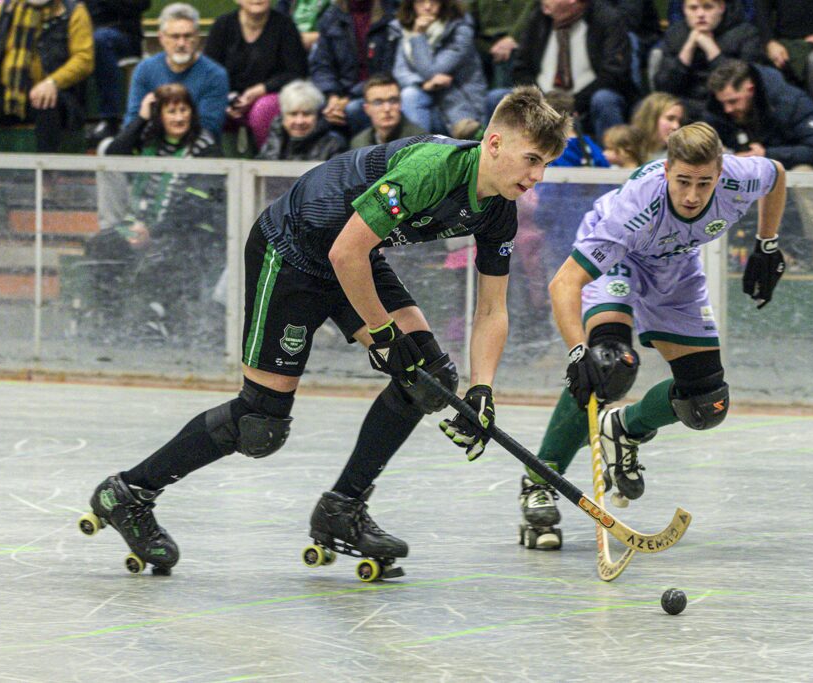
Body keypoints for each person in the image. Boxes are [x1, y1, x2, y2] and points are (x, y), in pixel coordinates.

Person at [79, 86, 570, 576]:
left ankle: (343, 508)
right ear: (494, 143)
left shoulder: (499, 209)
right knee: (260, 422)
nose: (537, 177)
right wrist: (384, 337)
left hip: (352, 255)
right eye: (532, 160)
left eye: (546, 164)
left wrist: (482, 388)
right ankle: (128, 493)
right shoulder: (431, 170)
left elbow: (491, 309)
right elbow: (344, 253)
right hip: (293, 249)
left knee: (428, 379)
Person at [518, 122, 787, 549]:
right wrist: (578, 354)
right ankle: (539, 482)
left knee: (706, 402)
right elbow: (564, 283)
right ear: (666, 171)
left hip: (676, 269)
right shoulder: (634, 209)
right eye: (683, 181)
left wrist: (767, 244)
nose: (693, 195)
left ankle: (624, 427)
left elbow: (777, 174)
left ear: (721, 172)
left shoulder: (740, 177)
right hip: (620, 259)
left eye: (704, 183)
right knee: (608, 366)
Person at [82, 83, 223, 342]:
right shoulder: (149, 139)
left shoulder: (206, 148)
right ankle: (108, 317)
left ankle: (153, 321)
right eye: (171, 111)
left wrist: (153, 231)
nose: (179, 117)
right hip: (141, 225)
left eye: (184, 110)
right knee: (101, 244)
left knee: (164, 254)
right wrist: (141, 118)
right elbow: (114, 155)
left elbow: (196, 206)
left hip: (188, 233)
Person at [705, 59, 813, 271]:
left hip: (789, 170)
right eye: (723, 103)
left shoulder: (790, 100)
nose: (727, 109)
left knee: (804, 175)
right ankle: (725, 259)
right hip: (748, 176)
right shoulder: (717, 110)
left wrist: (768, 155)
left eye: (733, 101)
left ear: (750, 89)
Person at [505, 0, 636, 141]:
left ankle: (610, 152)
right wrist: (541, 100)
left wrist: (576, 102)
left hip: (588, 100)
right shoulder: (539, 18)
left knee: (604, 99)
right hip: (541, 98)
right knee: (498, 98)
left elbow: (614, 73)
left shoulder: (607, 19)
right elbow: (521, 69)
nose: (544, 5)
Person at [0, 0, 94, 152]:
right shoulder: (6, 10)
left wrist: (52, 82)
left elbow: (84, 59)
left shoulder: (74, 12)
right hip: (8, 92)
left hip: (55, 93)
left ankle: (47, 166)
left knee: (47, 105)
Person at [204, 0, 308, 150]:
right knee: (211, 108)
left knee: (262, 110)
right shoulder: (222, 25)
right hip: (230, 97)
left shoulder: (285, 26)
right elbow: (210, 70)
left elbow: (296, 72)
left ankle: (267, 157)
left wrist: (261, 90)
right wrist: (226, 99)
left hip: (270, 96)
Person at [124, 3, 229, 137]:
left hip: (197, 145)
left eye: (188, 36)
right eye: (175, 37)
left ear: (197, 37)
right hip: (151, 143)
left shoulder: (215, 75)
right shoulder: (144, 70)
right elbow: (132, 121)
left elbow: (209, 127)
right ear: (161, 38)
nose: (181, 44)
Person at [651, 0, 762, 119]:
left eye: (708, 7)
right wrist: (688, 47)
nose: (700, 14)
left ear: (721, 7)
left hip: (726, 108)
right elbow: (664, 88)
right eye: (693, 8)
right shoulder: (675, 33)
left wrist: (712, 51)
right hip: (684, 108)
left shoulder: (746, 34)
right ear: (684, 9)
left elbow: (745, 83)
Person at [392, 0, 487, 134]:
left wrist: (418, 35)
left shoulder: (460, 28)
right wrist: (422, 84)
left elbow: (431, 70)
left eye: (434, 1)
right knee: (410, 95)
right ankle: (417, 146)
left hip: (460, 102)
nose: (427, 7)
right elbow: (400, 71)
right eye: (421, 1)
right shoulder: (406, 29)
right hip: (426, 96)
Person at [309, 0, 400, 137]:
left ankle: (365, 148)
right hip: (337, 93)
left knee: (353, 109)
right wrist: (332, 96)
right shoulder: (331, 16)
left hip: (375, 89)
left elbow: (386, 69)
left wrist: (349, 97)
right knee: (313, 109)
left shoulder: (390, 14)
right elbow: (321, 65)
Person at [83, 0, 150, 144]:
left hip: (123, 33)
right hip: (85, 31)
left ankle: (110, 119)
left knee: (100, 39)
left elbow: (142, 4)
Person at [257, 79, 346, 160]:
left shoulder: (333, 146)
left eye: (307, 114)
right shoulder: (273, 143)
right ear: (283, 116)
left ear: (318, 116)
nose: (299, 121)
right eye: (293, 114)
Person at [464, 0, 533, 88]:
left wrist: (513, 38)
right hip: (483, 42)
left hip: (514, 42)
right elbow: (469, 18)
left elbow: (531, 12)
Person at [349, 73, 427, 147]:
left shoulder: (419, 141)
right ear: (367, 109)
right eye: (378, 102)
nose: (387, 108)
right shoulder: (358, 143)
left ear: (400, 104)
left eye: (393, 101)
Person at [631, 92, 686, 162]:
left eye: (680, 121)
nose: (676, 126)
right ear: (650, 119)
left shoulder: (681, 157)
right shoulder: (625, 152)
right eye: (670, 118)